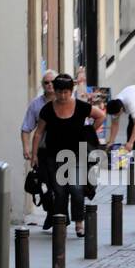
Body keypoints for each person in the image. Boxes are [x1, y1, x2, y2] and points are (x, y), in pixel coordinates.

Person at [32, 74, 105, 237]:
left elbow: (100, 115)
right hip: (53, 156)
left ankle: (79, 223)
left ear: (71, 91)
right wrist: (34, 155)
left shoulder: (80, 106)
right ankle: (62, 222)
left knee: (76, 188)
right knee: (59, 191)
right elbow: (38, 133)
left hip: (76, 155)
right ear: (55, 91)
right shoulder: (48, 109)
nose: (63, 96)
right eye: (59, 92)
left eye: (66, 92)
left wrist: (89, 131)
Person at [21, 70, 56, 227]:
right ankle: (50, 212)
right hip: (43, 151)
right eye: (46, 83)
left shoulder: (66, 101)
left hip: (63, 151)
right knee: (46, 184)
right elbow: (26, 128)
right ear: (42, 85)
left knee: (60, 185)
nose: (49, 85)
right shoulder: (36, 104)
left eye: (52, 82)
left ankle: (60, 215)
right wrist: (26, 148)